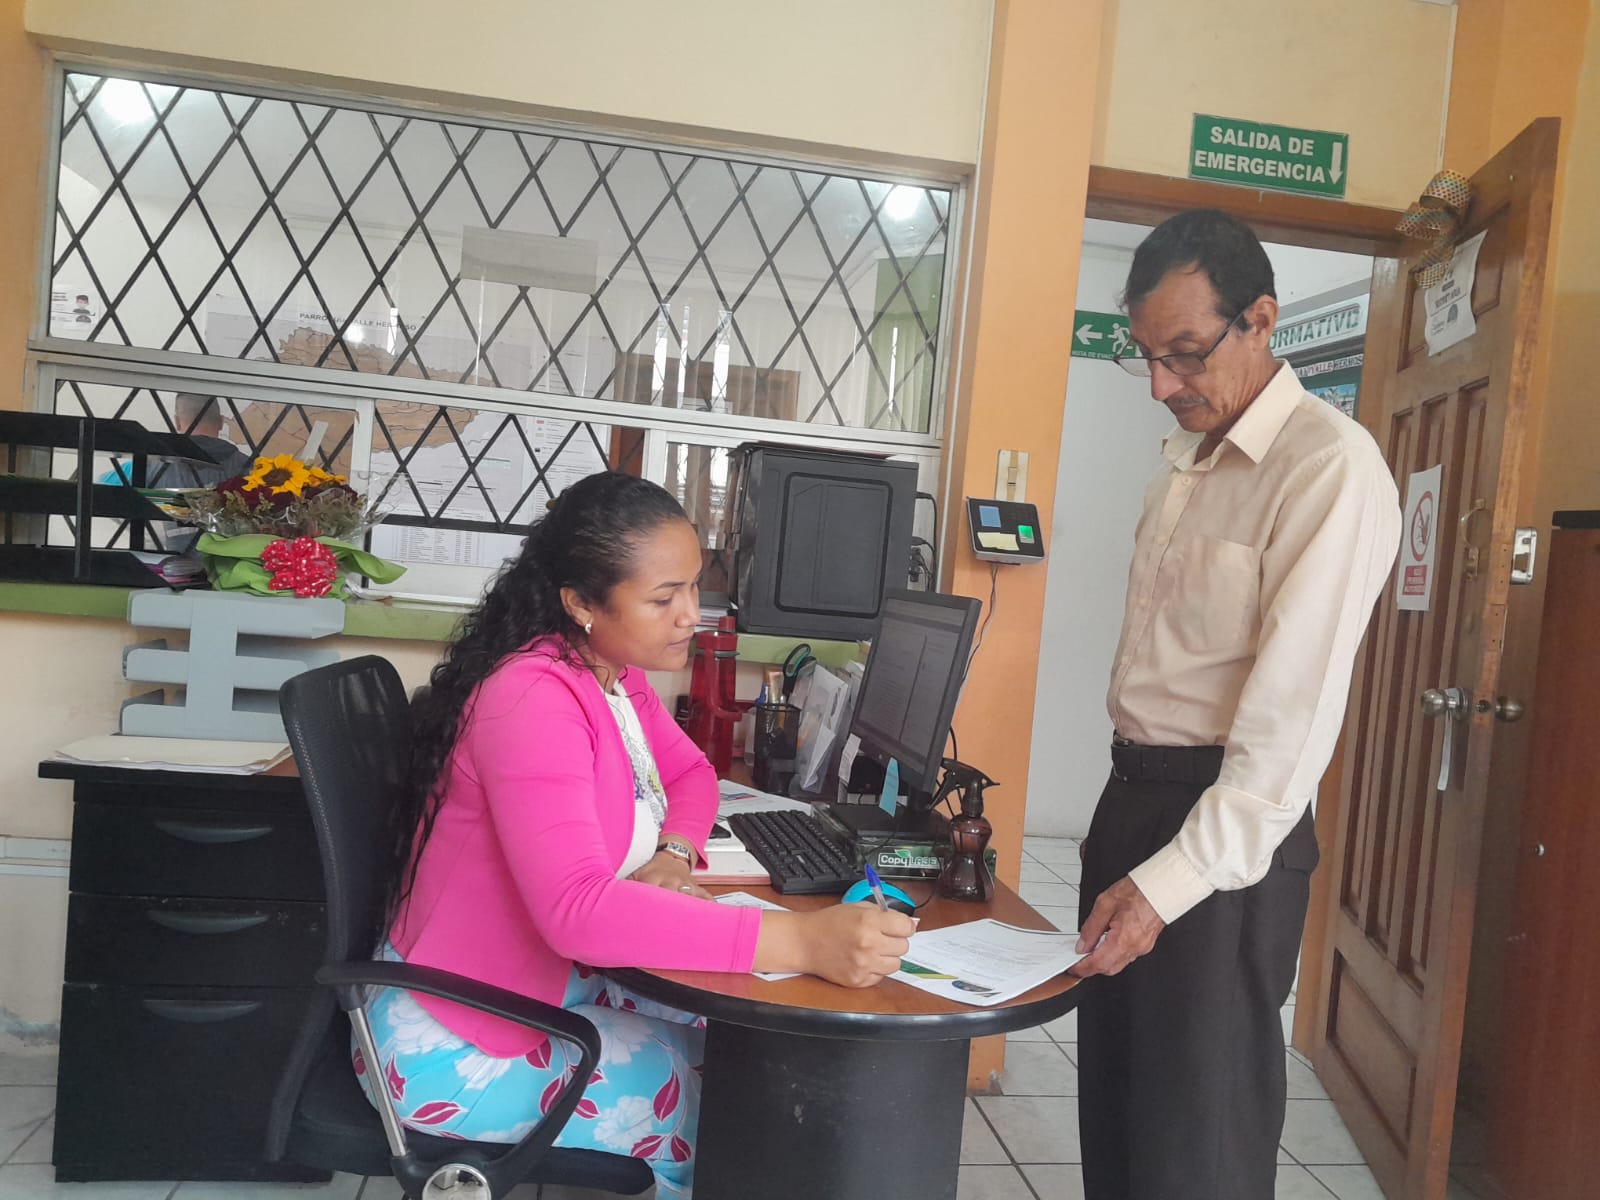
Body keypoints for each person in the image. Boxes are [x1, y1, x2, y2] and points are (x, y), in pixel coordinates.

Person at [358, 470, 913, 1200]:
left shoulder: (611, 674)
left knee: (759, 1044)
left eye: (694, 587)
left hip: (540, 984)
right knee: (748, 1102)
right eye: (663, 598)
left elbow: (691, 774)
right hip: (460, 1036)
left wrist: (674, 854)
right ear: (581, 603)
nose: (690, 615)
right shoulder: (532, 698)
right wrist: (804, 942)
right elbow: (576, 911)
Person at [1072, 209, 1401, 1200]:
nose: (1162, 384)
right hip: (1132, 797)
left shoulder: (1327, 467)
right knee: (1119, 1117)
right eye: (1146, 357)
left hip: (1225, 838)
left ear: (1260, 318)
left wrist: (1167, 885)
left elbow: (1286, 730)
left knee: (1195, 1149)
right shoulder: (1189, 460)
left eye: (1184, 353)